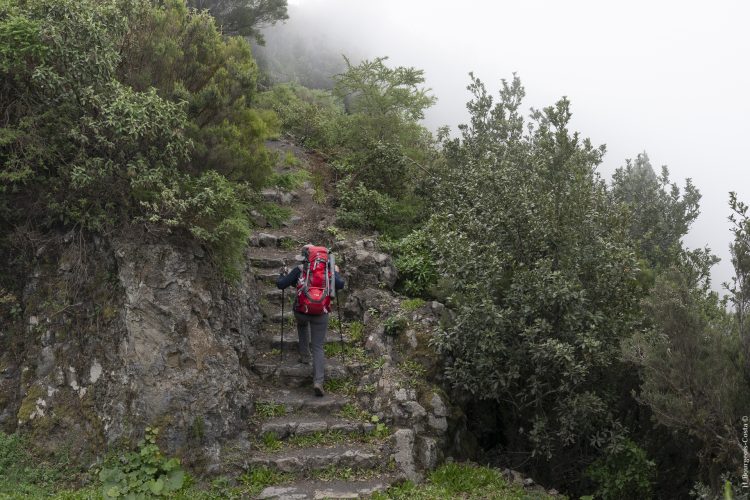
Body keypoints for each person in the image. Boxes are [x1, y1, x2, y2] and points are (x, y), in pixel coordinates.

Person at [276, 244, 344, 397]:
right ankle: (318, 381)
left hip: (301, 310)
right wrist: (336, 273)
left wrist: (281, 275)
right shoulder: (328, 270)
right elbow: (340, 285)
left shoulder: (300, 270)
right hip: (321, 313)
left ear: (306, 258)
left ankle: (305, 356)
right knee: (318, 346)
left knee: (301, 324)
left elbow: (281, 285)